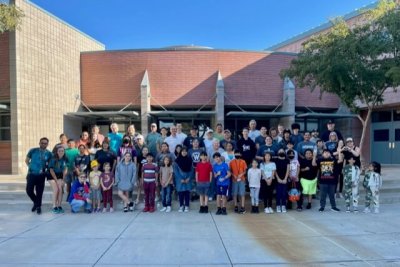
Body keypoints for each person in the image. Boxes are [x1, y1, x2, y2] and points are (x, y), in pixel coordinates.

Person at [25, 137, 52, 215]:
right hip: (31, 174)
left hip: (41, 175)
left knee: (39, 192)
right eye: (42, 143)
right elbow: (27, 160)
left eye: (45, 143)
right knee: (29, 190)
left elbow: (50, 164)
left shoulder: (49, 153)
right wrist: (31, 167)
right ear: (39, 143)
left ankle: (38, 207)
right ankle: (36, 202)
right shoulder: (33, 151)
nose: (43, 144)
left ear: (47, 144)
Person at [48, 145, 68, 214]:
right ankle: (54, 206)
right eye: (59, 151)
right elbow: (51, 170)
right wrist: (56, 180)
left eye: (62, 151)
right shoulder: (53, 159)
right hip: (51, 175)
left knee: (60, 189)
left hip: (60, 175)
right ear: (57, 152)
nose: (61, 152)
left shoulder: (65, 158)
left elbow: (65, 169)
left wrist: (63, 179)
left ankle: (59, 205)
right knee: (56, 189)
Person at [173, 147, 193, 212]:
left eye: (185, 151)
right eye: (183, 151)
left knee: (187, 192)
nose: (184, 152)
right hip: (179, 180)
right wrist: (180, 179)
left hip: (188, 179)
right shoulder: (177, 161)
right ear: (180, 152)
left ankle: (187, 206)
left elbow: (192, 170)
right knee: (181, 193)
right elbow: (175, 171)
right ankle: (181, 206)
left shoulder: (190, 160)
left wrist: (189, 178)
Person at [229, 150, 247, 214]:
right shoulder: (231, 162)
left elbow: (245, 171)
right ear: (234, 154)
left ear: (240, 154)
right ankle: (235, 206)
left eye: (238, 153)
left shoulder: (243, 161)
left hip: (242, 179)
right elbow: (230, 171)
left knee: (242, 194)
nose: (237, 154)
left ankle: (242, 207)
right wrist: (234, 175)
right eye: (236, 153)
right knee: (234, 194)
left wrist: (241, 174)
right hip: (234, 180)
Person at [275, 148, 289, 213]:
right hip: (277, 179)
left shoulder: (287, 160)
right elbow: (274, 170)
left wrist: (285, 178)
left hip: (285, 179)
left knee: (284, 193)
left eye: (282, 151)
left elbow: (288, 170)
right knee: (278, 193)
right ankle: (278, 205)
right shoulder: (276, 160)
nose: (281, 152)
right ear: (278, 152)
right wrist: (278, 178)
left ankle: (283, 205)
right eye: (280, 151)